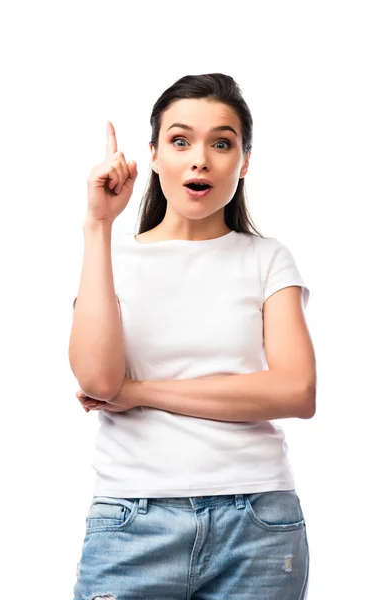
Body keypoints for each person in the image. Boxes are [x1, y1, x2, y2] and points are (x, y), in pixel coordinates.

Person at [70, 73, 316, 600]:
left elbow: (296, 393)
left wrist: (138, 393)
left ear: (244, 162)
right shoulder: (111, 259)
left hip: (259, 523)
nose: (200, 159)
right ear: (153, 155)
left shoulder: (267, 259)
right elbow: (96, 377)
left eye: (221, 143)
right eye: (180, 141)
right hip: (133, 520)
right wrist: (98, 226)